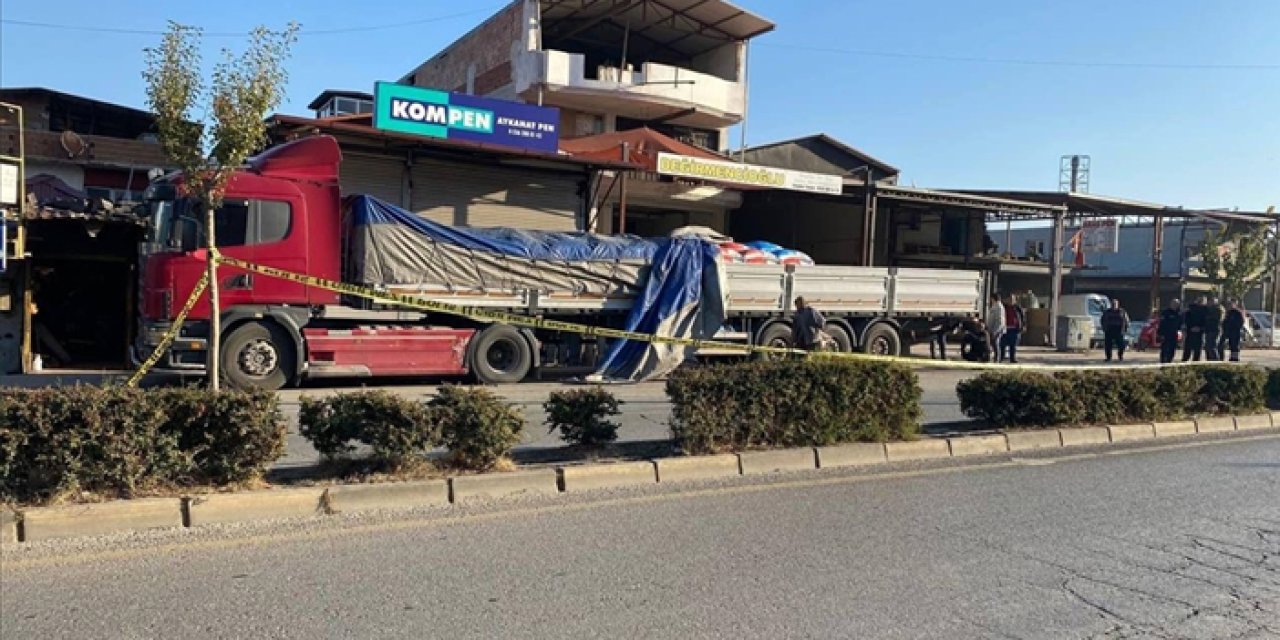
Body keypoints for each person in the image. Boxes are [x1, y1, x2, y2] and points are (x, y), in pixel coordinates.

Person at [1000, 293, 1026, 363]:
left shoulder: (1018, 308)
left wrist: (1023, 325)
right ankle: (1001, 357)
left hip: (1014, 329)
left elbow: (1022, 317)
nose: (1011, 301)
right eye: (1010, 299)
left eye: (1012, 299)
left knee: (1013, 345)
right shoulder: (1003, 307)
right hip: (1005, 328)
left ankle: (1012, 358)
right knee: (1002, 344)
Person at [1182, 296, 1208, 362]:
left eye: (1202, 301)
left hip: (1200, 332)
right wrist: (1190, 327)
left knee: (1197, 350)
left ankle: (1195, 363)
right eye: (1200, 300)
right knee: (1187, 350)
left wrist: (1201, 328)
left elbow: (1207, 321)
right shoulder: (1190, 309)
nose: (1201, 302)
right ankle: (1184, 363)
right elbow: (1186, 319)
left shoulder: (1206, 310)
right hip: (1190, 331)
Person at [1158, 299, 1183, 364]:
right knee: (1164, 349)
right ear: (1171, 304)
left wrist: (1180, 333)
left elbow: (1181, 324)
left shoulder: (1179, 313)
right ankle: (1163, 362)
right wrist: (1161, 334)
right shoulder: (1166, 312)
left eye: (1176, 304)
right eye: (1173, 303)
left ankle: (1169, 362)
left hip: (1174, 334)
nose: (1175, 305)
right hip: (1166, 333)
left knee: (1172, 349)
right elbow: (1161, 323)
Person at [986, 293, 1006, 362]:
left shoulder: (999, 307)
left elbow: (1000, 321)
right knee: (993, 344)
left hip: (996, 330)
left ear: (993, 298)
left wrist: (995, 331)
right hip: (992, 329)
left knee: (995, 344)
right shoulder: (995, 306)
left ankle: (996, 360)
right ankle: (994, 359)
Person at [1203, 296, 1224, 361]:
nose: (1210, 302)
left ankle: (1215, 361)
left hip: (1214, 330)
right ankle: (1209, 360)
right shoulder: (1207, 309)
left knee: (1212, 346)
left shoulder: (1218, 309)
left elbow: (1217, 319)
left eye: (1212, 301)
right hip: (1208, 330)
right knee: (1207, 347)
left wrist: (1208, 317)